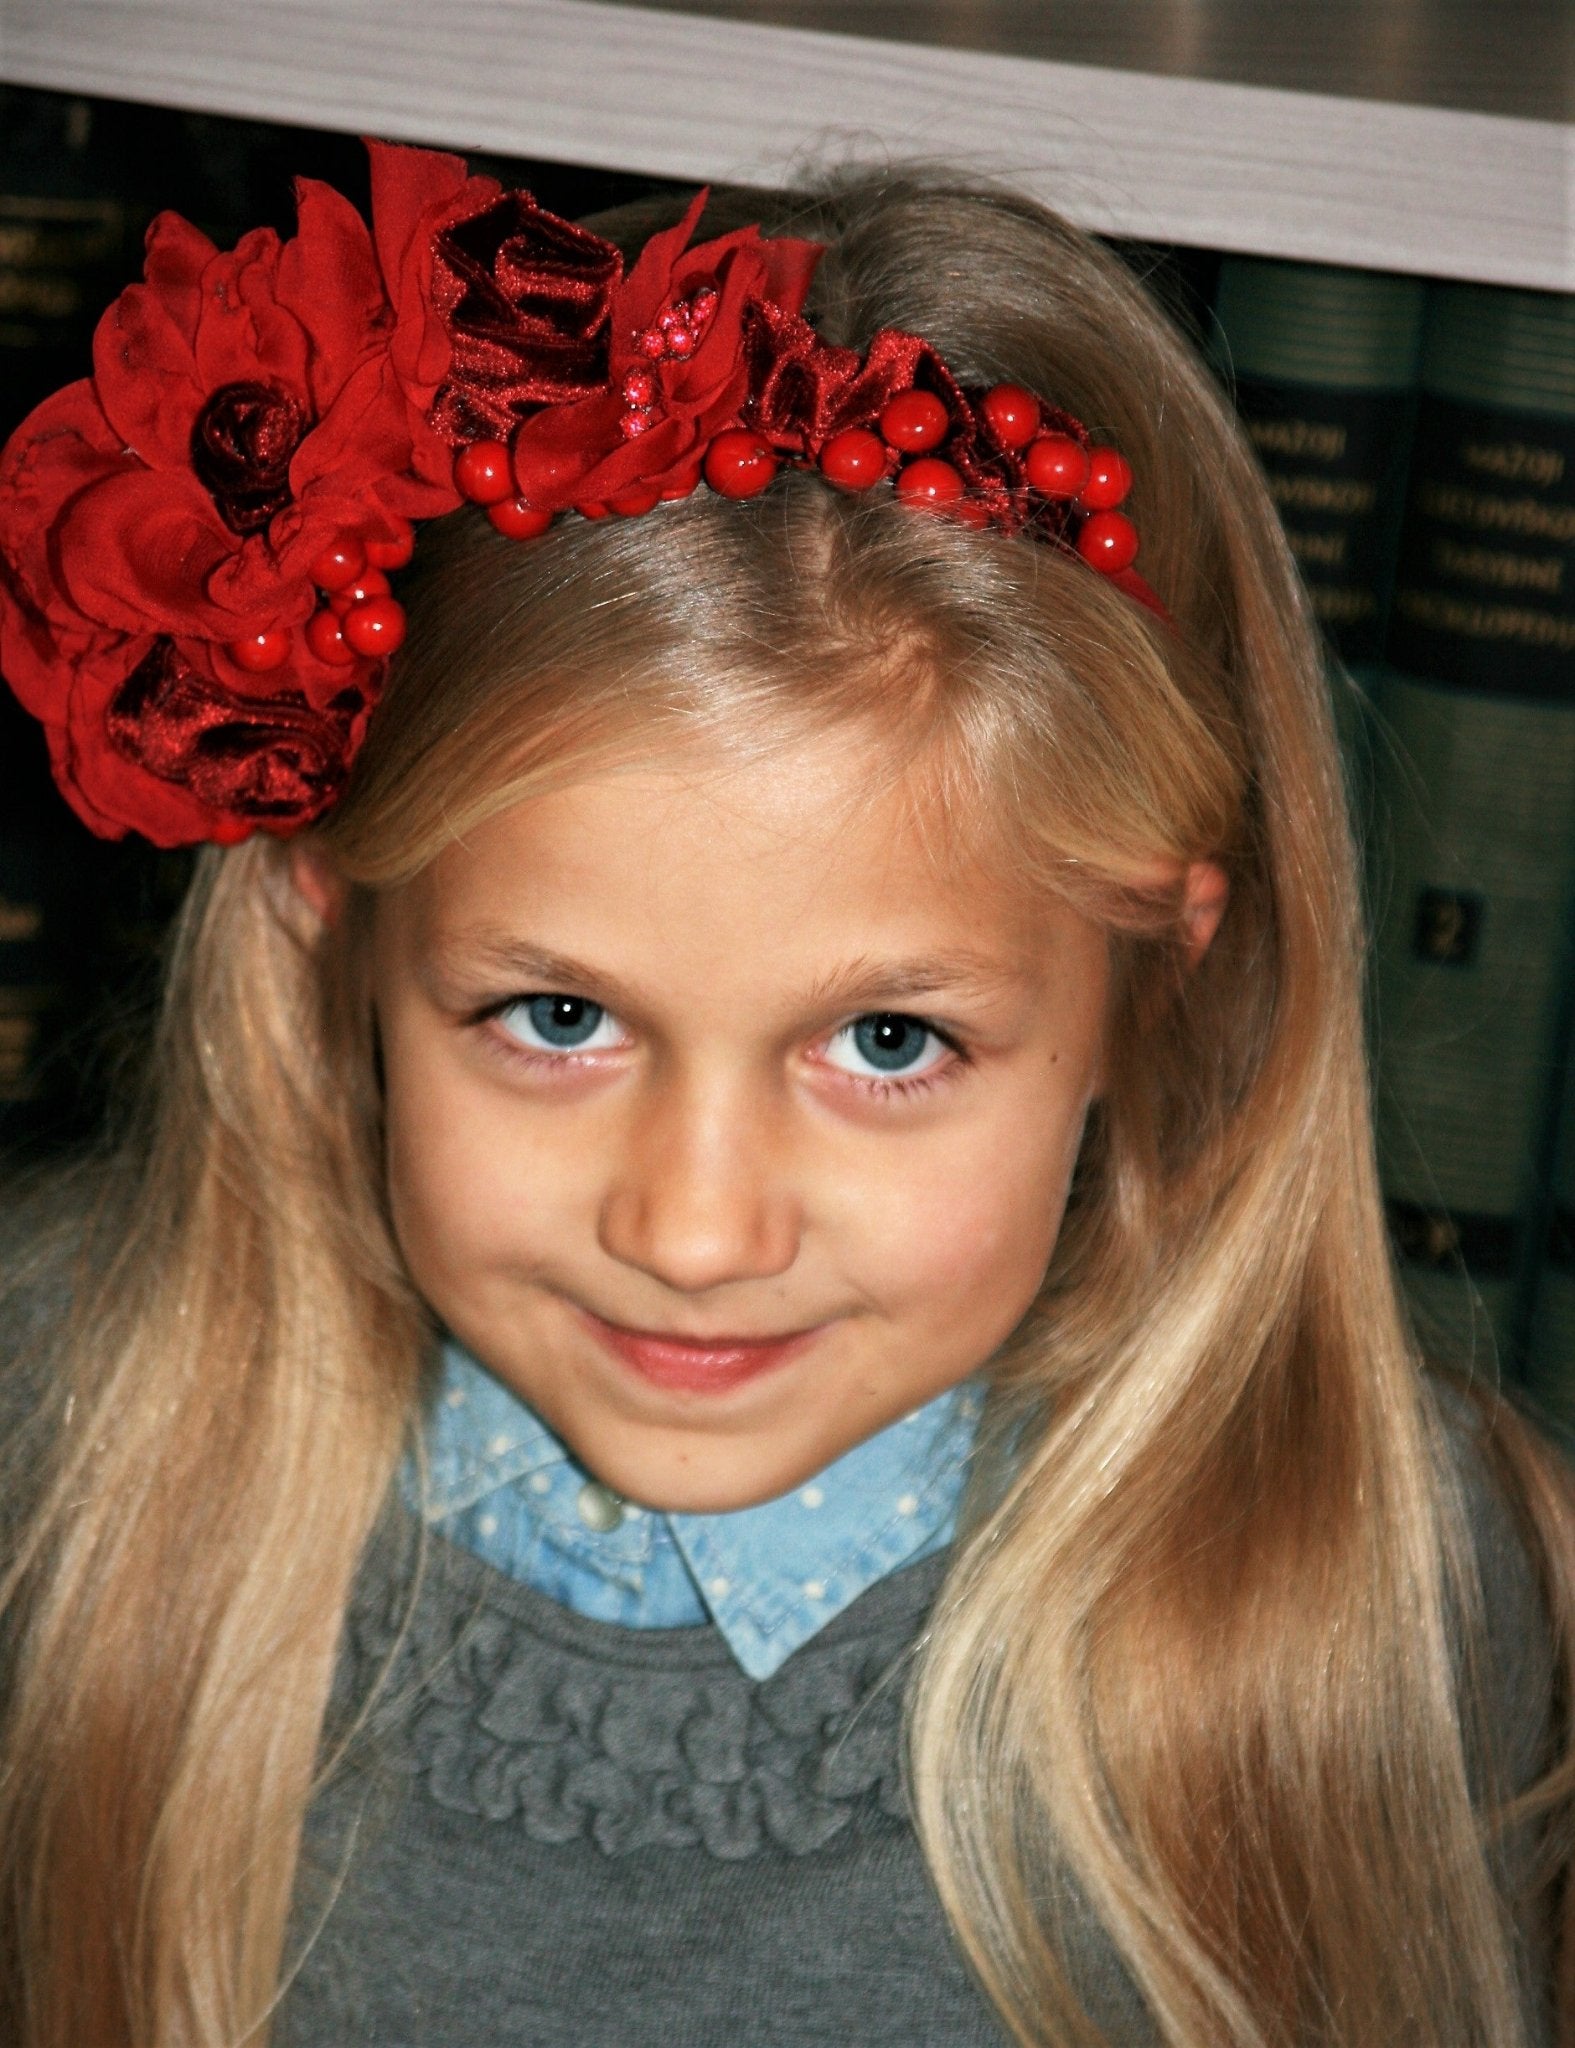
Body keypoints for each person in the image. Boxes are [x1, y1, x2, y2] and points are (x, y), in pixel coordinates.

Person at [0, 139, 1569, 2048]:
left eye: (888, 1044)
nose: (692, 1229)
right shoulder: (72, 1426)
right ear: (335, 929)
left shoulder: (1366, 1590)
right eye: (557, 1017)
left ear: (1159, 974)